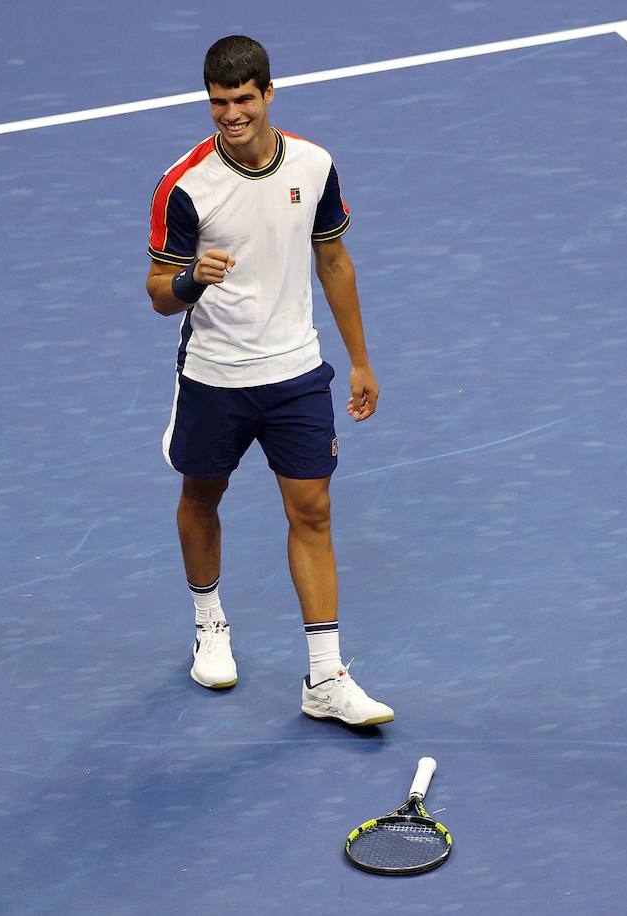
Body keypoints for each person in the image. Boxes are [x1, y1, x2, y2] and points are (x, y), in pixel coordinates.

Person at [145, 35, 393, 726]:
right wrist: (192, 278)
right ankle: (210, 624)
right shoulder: (184, 184)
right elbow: (159, 292)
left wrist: (361, 359)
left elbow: (334, 261)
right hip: (215, 376)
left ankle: (324, 679)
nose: (230, 115)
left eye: (243, 100)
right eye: (219, 103)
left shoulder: (313, 165)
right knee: (202, 496)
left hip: (295, 372)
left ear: (268, 94)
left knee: (312, 512)